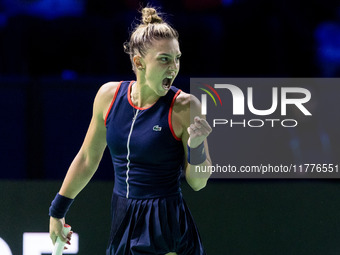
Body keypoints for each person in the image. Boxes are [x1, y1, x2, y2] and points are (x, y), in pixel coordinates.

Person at [49, 7, 212, 255]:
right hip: (123, 218)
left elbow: (198, 183)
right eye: (164, 59)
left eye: (177, 58)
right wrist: (57, 211)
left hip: (165, 226)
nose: (174, 67)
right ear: (138, 62)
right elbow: (86, 158)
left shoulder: (186, 107)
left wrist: (197, 146)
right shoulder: (108, 96)